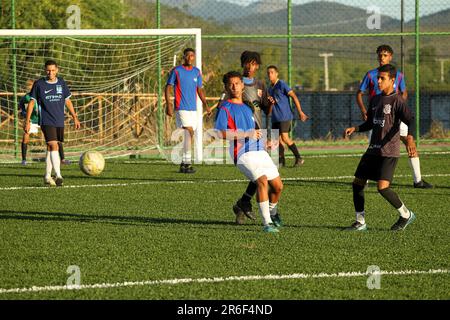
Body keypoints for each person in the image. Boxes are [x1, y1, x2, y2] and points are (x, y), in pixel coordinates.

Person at [344, 64, 417, 231]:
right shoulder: (375, 99)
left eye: (382, 78)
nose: (378, 81)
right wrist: (356, 128)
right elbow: (370, 123)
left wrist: (410, 139)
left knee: (382, 187)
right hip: (373, 150)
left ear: (392, 80)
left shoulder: (397, 100)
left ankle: (406, 214)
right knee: (357, 184)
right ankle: (360, 222)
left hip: (388, 152)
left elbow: (410, 119)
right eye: (378, 78)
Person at [215, 71, 283, 233]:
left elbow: (253, 130)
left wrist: (265, 142)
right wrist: (246, 134)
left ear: (242, 85)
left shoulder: (247, 107)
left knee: (278, 187)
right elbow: (220, 133)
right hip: (242, 153)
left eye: (237, 83)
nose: (234, 87)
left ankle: (272, 212)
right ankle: (267, 223)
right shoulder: (225, 108)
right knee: (262, 180)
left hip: (259, 150)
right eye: (230, 84)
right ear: (226, 87)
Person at [357, 44, 432, 189]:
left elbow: (403, 92)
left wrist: (399, 104)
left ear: (390, 57)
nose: (382, 58)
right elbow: (359, 93)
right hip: (379, 117)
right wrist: (363, 110)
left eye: (385, 55)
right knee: (374, 146)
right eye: (380, 55)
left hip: (395, 115)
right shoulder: (371, 74)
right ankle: (363, 179)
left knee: (410, 143)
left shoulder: (398, 75)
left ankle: (418, 181)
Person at [24, 60, 80, 186]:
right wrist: (27, 121)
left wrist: (75, 117)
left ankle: (47, 176)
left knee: (51, 148)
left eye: (53, 70)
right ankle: (58, 175)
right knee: (54, 145)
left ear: (57, 70)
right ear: (45, 70)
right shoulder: (39, 84)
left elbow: (68, 101)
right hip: (46, 120)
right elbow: (31, 103)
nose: (50, 73)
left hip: (59, 120)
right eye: (48, 70)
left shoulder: (61, 83)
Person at [231, 51, 272, 225]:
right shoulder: (236, 83)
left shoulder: (261, 84)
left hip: (258, 132)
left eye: (254, 64)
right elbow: (228, 105)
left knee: (262, 173)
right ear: (243, 64)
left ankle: (243, 203)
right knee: (259, 175)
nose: (251, 67)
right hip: (242, 134)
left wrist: (270, 104)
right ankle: (245, 203)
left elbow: (265, 109)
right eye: (248, 63)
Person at [165, 48, 210, 174]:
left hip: (193, 109)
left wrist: (206, 104)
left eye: (192, 55)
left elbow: (200, 89)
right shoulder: (177, 71)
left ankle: (184, 164)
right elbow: (168, 87)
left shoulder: (197, 72)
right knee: (189, 132)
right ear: (184, 57)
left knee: (189, 135)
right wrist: (168, 104)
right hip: (181, 107)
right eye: (188, 55)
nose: (191, 57)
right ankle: (187, 163)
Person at [19, 80, 70, 166]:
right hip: (33, 120)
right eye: (28, 87)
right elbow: (21, 105)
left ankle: (62, 159)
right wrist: (25, 115)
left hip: (46, 119)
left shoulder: (44, 95)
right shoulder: (27, 97)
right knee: (26, 135)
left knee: (56, 139)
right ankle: (24, 160)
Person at [266, 65, 309, 167]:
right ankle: (281, 161)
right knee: (277, 140)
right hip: (275, 117)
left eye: (272, 72)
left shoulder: (281, 84)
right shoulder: (270, 88)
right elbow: (271, 105)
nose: (270, 75)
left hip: (284, 116)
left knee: (285, 138)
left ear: (277, 74)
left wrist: (300, 112)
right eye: (268, 73)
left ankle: (299, 157)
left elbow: (293, 96)